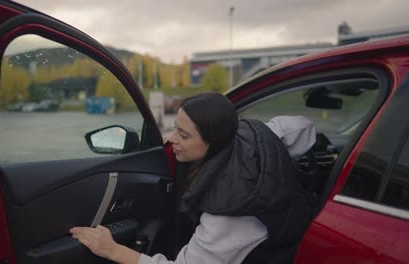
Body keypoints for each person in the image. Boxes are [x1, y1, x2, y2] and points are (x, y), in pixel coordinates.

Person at [70, 92, 315, 264]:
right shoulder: (252, 136)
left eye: (184, 135)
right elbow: (304, 127)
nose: (173, 139)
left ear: (212, 140)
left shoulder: (227, 215)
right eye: (175, 128)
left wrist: (112, 250)